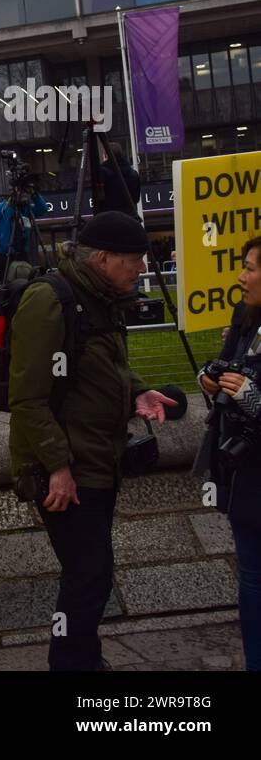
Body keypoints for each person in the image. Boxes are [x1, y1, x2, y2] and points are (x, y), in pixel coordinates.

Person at [8, 211, 175, 670]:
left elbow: (102, 366)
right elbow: (26, 399)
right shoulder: (50, 300)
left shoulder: (99, 296)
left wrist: (137, 389)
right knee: (88, 575)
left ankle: (84, 660)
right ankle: (71, 664)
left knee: (90, 576)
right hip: (68, 468)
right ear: (103, 258)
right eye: (134, 260)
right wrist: (59, 468)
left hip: (99, 460)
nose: (142, 269)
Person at [194, 235, 261, 670]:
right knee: (252, 577)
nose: (241, 276)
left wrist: (255, 398)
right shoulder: (244, 316)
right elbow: (223, 367)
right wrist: (210, 380)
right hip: (247, 475)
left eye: (252, 268)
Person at [0, 189, 50, 279]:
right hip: (5, 253)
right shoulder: (1, 207)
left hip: (23, 252)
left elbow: (43, 209)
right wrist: (0, 240)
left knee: (26, 279)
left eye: (25, 192)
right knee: (6, 283)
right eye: (21, 191)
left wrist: (34, 193)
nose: (24, 194)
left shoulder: (27, 208)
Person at [97, 143, 141, 219]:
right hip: (129, 218)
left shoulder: (102, 173)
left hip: (109, 218)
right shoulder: (133, 174)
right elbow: (136, 198)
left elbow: (99, 198)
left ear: (106, 156)